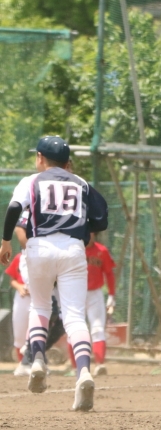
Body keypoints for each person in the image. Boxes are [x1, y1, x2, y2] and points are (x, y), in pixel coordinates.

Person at [0, 136, 108, 411]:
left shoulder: (31, 181)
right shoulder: (81, 183)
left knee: (40, 307)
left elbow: (14, 208)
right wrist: (82, 232)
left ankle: (38, 361)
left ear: (40, 157)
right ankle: (83, 372)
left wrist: (5, 241)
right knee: (74, 316)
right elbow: (101, 219)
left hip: (39, 248)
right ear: (66, 161)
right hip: (72, 249)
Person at [65, 233, 115, 376]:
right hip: (75, 293)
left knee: (97, 328)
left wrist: (111, 294)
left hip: (95, 294)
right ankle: (75, 367)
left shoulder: (102, 251)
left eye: (91, 231)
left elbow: (109, 273)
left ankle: (99, 364)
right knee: (74, 329)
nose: (89, 234)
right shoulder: (71, 250)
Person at [5, 251, 31, 376]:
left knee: (36, 331)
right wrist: (20, 287)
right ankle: (22, 364)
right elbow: (12, 280)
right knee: (19, 332)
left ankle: (36, 363)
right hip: (22, 297)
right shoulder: (20, 258)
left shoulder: (45, 255)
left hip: (39, 297)